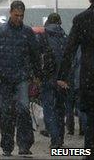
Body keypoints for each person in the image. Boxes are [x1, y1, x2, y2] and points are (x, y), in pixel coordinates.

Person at [0, 0, 42, 156]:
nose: (19, 18)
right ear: (10, 13)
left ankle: (24, 145)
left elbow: (35, 55)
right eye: (16, 15)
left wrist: (37, 75)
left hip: (22, 78)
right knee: (6, 112)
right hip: (4, 79)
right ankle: (7, 145)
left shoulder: (27, 32)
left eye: (21, 16)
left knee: (23, 110)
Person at [57, 0, 94, 159]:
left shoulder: (81, 20)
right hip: (88, 76)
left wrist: (62, 76)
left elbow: (69, 50)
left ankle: (89, 151)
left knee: (91, 117)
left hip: (89, 76)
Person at [37, 13, 68, 147]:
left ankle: (55, 139)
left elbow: (36, 56)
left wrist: (36, 75)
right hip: (63, 79)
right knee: (60, 109)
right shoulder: (65, 37)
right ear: (60, 23)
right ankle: (60, 138)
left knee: (49, 109)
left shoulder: (42, 36)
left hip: (48, 77)